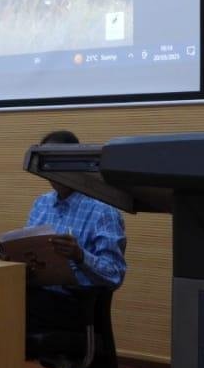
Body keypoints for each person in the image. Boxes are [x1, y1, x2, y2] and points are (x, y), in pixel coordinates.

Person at [22, 130, 127, 332]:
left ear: (76, 163)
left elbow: (114, 274)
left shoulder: (103, 210)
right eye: (46, 163)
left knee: (6, 316)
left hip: (73, 303)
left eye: (57, 163)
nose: (51, 170)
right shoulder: (41, 204)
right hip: (37, 293)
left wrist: (80, 256)